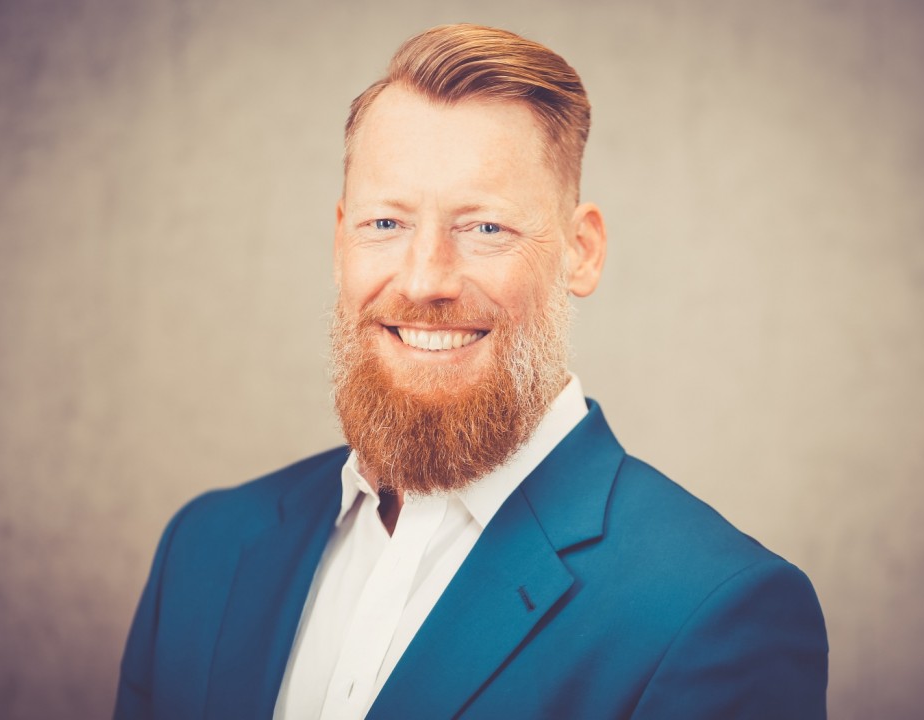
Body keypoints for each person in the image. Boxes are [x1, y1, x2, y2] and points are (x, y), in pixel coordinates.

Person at [114, 23, 828, 720]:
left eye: (486, 227)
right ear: (339, 243)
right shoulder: (204, 549)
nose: (425, 279)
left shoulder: (713, 610)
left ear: (580, 252)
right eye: (386, 223)